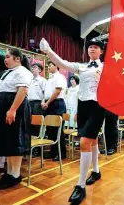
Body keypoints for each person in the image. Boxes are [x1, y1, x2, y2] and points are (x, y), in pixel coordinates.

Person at [40, 38, 106, 204]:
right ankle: (96, 171)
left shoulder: (107, 67)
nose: (92, 49)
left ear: (101, 51)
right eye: (90, 47)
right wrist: (48, 51)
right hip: (82, 106)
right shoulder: (81, 66)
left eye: (95, 47)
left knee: (84, 142)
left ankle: (80, 185)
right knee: (92, 141)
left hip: (98, 105)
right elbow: (62, 63)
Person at [0, 48, 33, 189]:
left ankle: (15, 174)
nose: (5, 59)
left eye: (7, 57)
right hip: (3, 106)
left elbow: (22, 90)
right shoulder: (7, 72)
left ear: (17, 58)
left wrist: (12, 110)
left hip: (14, 107)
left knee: (14, 140)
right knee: (7, 140)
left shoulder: (23, 72)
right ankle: (10, 172)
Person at [42, 61, 67, 161]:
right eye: (48, 65)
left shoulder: (60, 77)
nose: (48, 67)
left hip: (57, 104)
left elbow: (57, 91)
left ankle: (60, 153)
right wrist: (44, 101)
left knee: (57, 130)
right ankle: (53, 152)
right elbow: (46, 93)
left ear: (56, 66)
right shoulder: (49, 79)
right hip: (49, 103)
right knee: (50, 130)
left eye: (50, 65)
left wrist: (47, 103)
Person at [28, 63, 46, 137]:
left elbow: (45, 93)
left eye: (35, 67)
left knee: (36, 122)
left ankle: (37, 141)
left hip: (37, 103)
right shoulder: (29, 80)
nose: (32, 69)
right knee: (28, 121)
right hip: (28, 102)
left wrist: (43, 102)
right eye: (32, 67)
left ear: (40, 70)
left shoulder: (42, 80)